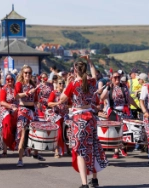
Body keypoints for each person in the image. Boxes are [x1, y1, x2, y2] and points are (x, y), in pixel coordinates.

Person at [59, 60, 108, 188]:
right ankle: (95, 179)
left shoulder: (74, 84)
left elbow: (62, 99)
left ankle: (84, 183)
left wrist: (67, 83)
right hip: (91, 118)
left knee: (81, 151)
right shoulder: (91, 81)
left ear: (75, 71)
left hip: (79, 118)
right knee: (92, 147)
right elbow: (94, 73)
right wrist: (90, 62)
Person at [100, 71, 140, 159]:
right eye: (115, 77)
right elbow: (102, 97)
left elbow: (129, 98)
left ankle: (123, 147)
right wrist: (107, 88)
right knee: (115, 131)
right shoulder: (109, 87)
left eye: (118, 77)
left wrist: (137, 107)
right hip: (113, 111)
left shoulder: (124, 86)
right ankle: (116, 151)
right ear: (111, 79)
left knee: (125, 131)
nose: (117, 79)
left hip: (125, 111)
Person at [14, 65, 44, 167]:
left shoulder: (33, 84)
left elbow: (35, 99)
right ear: (23, 73)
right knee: (23, 134)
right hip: (23, 110)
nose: (28, 74)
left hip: (32, 110)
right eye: (26, 72)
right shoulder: (19, 84)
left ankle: (35, 153)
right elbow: (16, 95)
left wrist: (38, 103)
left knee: (35, 132)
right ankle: (20, 159)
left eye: (29, 73)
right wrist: (27, 93)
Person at [48, 78, 69, 157]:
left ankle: (67, 148)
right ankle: (57, 150)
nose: (62, 85)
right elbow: (49, 103)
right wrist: (57, 103)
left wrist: (67, 105)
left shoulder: (66, 94)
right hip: (56, 114)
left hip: (65, 114)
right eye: (60, 83)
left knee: (68, 131)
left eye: (63, 83)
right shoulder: (54, 93)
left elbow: (71, 104)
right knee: (59, 133)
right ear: (56, 84)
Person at [0, 73, 18, 156]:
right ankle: (5, 149)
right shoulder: (3, 89)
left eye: (11, 79)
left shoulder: (17, 89)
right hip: (6, 110)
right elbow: (2, 102)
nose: (10, 81)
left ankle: (19, 146)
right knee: (7, 126)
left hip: (16, 110)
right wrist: (11, 106)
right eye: (8, 79)